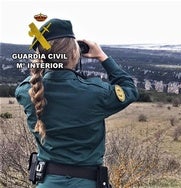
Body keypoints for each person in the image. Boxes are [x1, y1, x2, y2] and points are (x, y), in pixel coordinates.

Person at [15, 18, 139, 188]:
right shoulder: (95, 92)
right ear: (75, 54)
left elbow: (33, 80)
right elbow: (129, 89)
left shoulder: (27, 92)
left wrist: (46, 62)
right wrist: (102, 56)